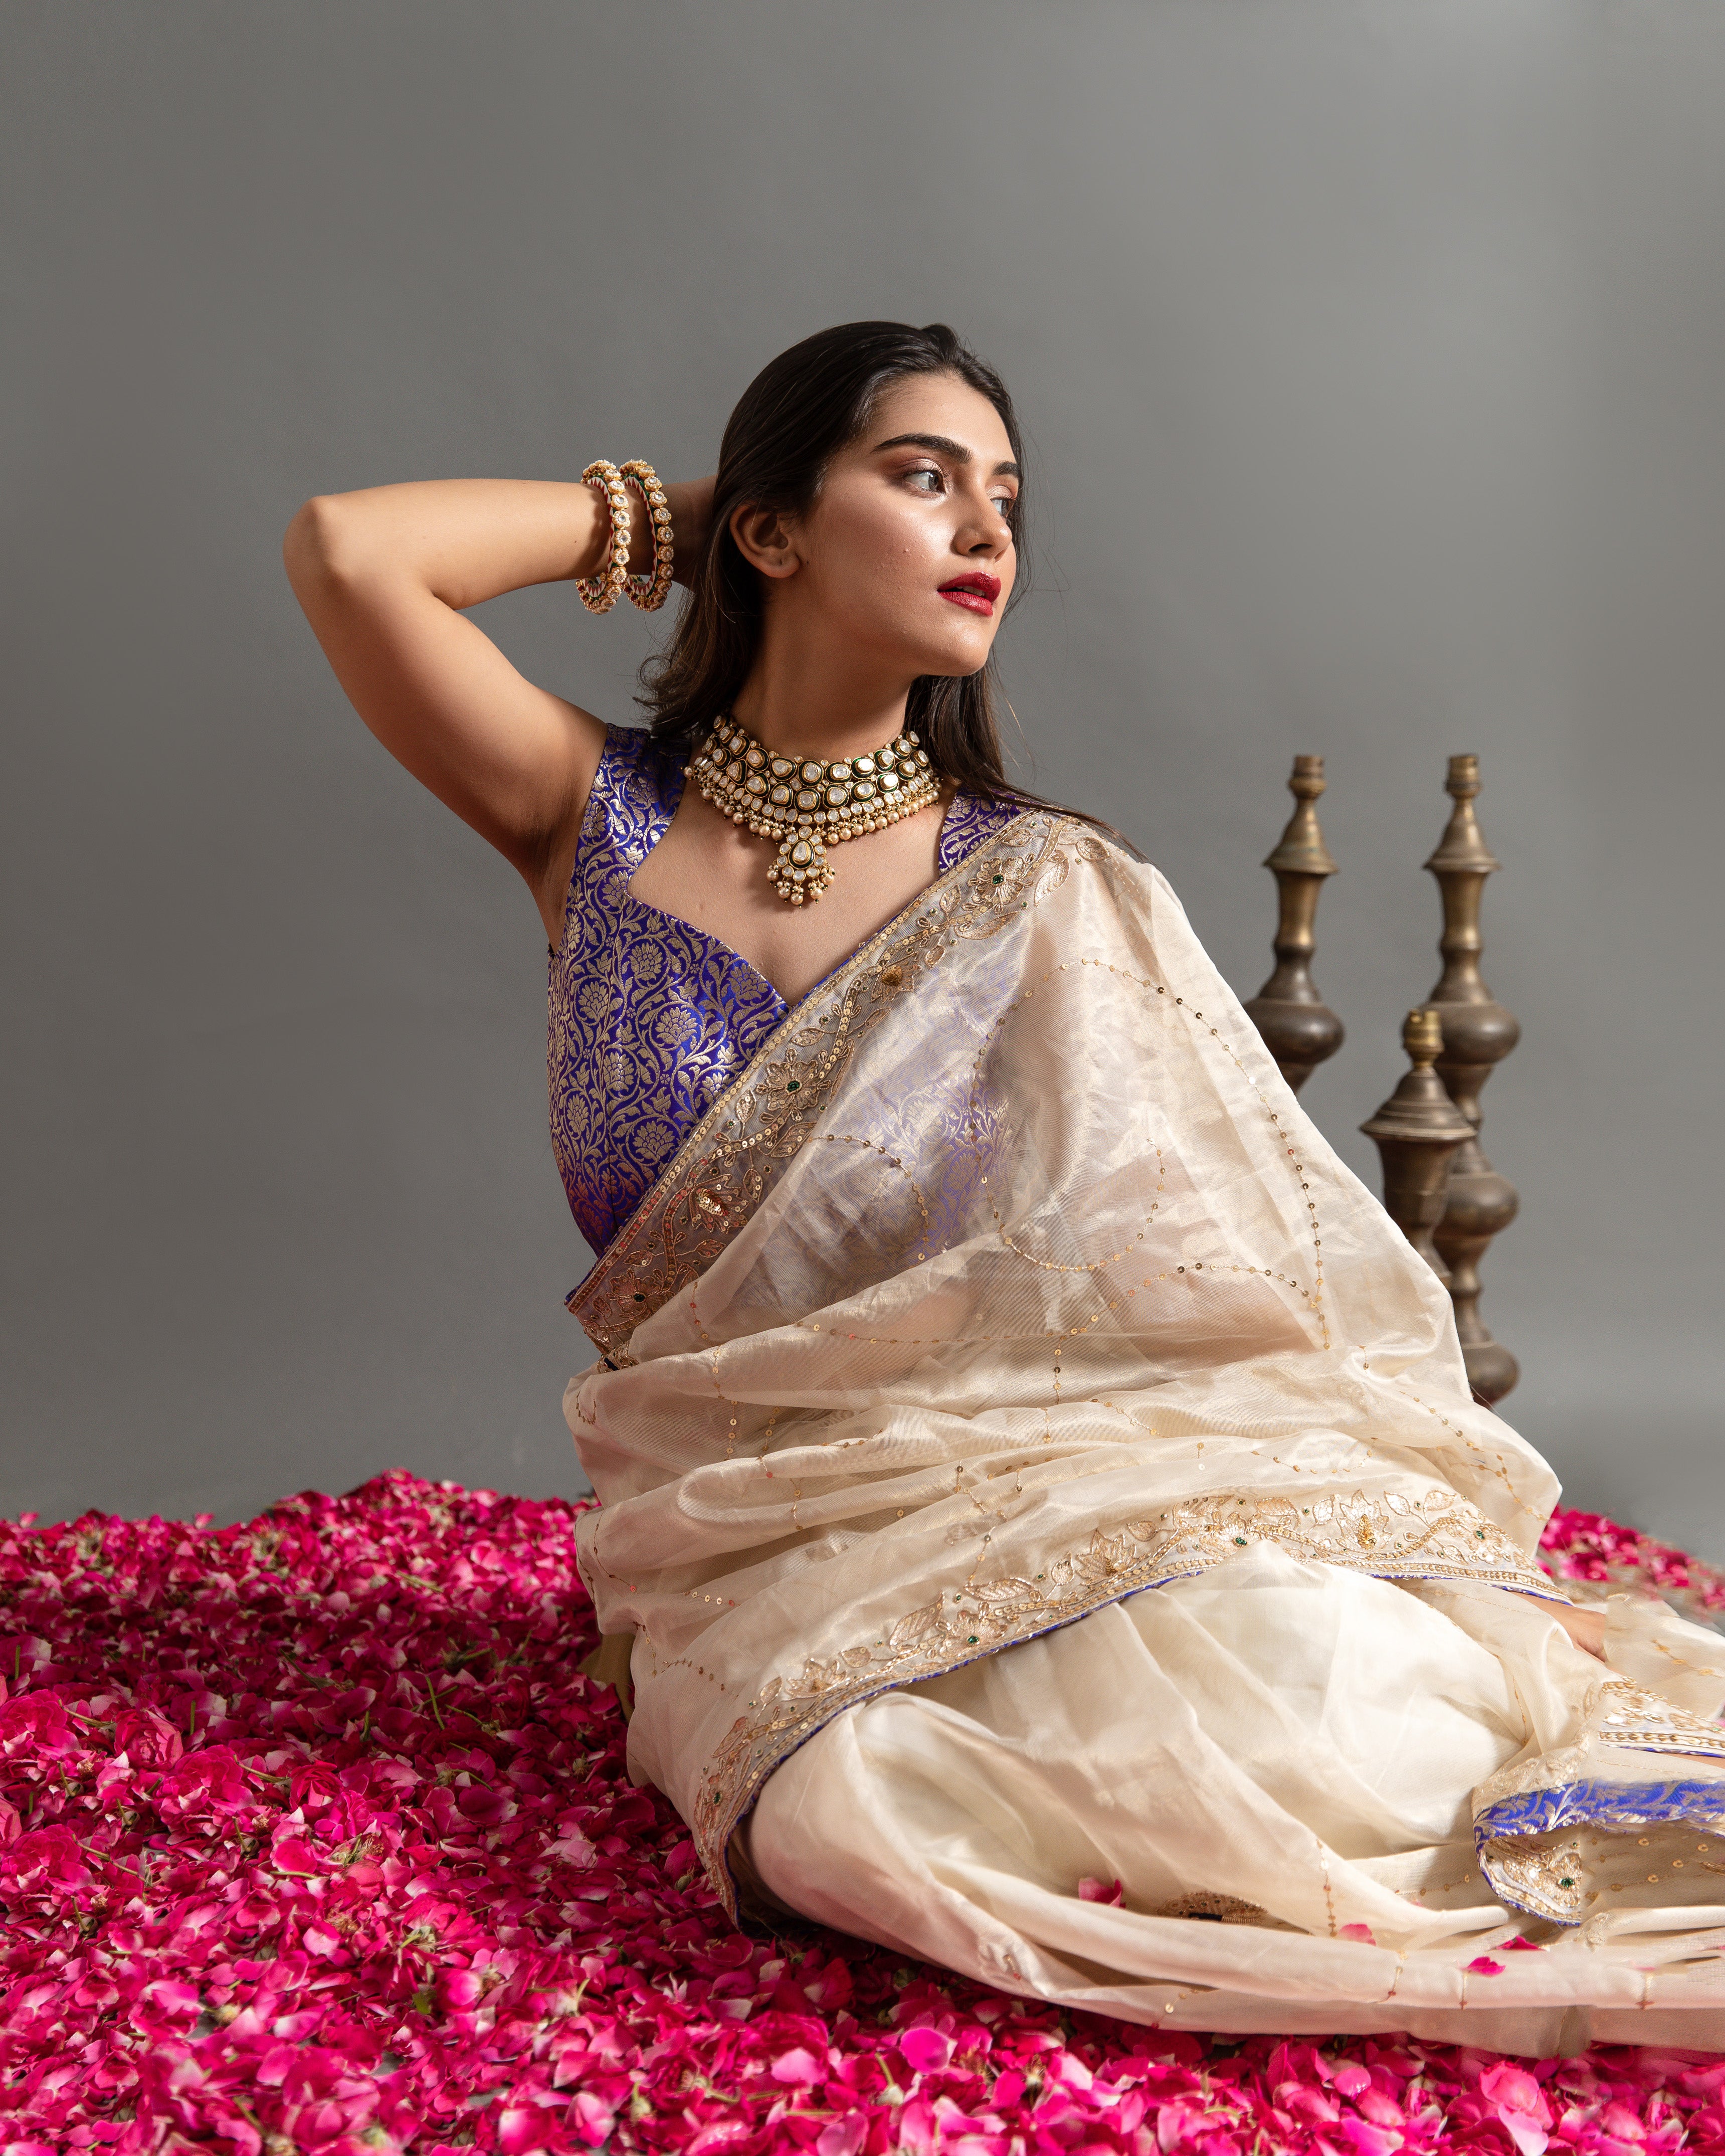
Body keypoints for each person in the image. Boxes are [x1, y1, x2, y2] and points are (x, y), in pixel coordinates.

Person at [286, 320, 1725, 2054]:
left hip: (1067, 1477)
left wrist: (825, 505)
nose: (986, 532)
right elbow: (350, 552)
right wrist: (700, 508)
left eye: (1007, 498)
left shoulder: (1050, 889)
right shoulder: (594, 819)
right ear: (769, 528)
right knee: (862, 1810)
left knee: (1318, 1698)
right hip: (761, 1539)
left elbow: (1211, 1284)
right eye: (922, 479)